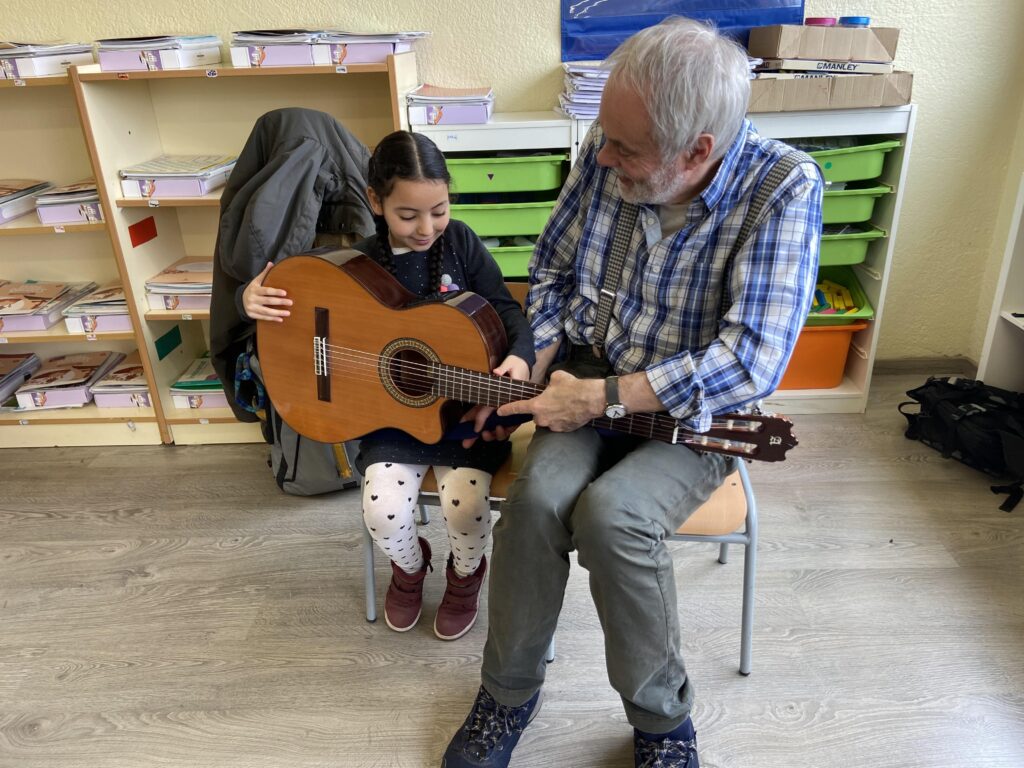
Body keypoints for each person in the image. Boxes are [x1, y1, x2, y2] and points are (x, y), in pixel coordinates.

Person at [441, 17, 822, 768]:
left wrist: (599, 399)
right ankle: (506, 694)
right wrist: (528, 359)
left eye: (625, 149)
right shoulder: (608, 144)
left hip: (698, 412)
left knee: (614, 517)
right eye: (605, 138)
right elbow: (552, 273)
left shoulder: (783, 188)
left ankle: (661, 724)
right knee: (537, 504)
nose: (603, 156)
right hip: (586, 368)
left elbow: (751, 361)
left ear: (697, 151)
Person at [242, 130, 535, 641]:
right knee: (381, 510)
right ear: (375, 201)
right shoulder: (358, 264)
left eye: (439, 210)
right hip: (390, 418)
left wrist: (520, 357)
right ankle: (409, 567)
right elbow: (291, 300)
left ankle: (466, 576)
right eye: (408, 215)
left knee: (465, 507)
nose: (426, 228)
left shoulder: (461, 242)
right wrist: (251, 300)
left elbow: (507, 309)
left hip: (464, 416)